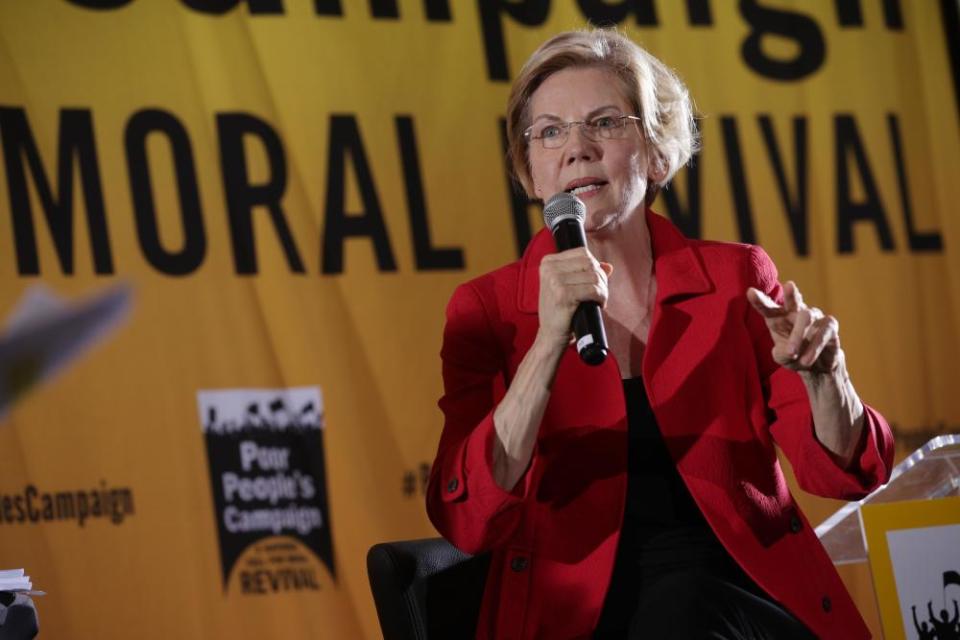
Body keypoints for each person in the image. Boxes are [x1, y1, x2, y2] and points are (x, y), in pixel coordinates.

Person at [426, 28, 894, 640]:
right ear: (531, 172)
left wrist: (826, 379)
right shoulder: (486, 311)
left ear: (654, 151)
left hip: (738, 597)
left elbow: (841, 475)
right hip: (577, 618)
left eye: (604, 123)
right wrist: (546, 345)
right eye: (550, 132)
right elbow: (467, 519)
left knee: (686, 607)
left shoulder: (734, 280)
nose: (577, 148)